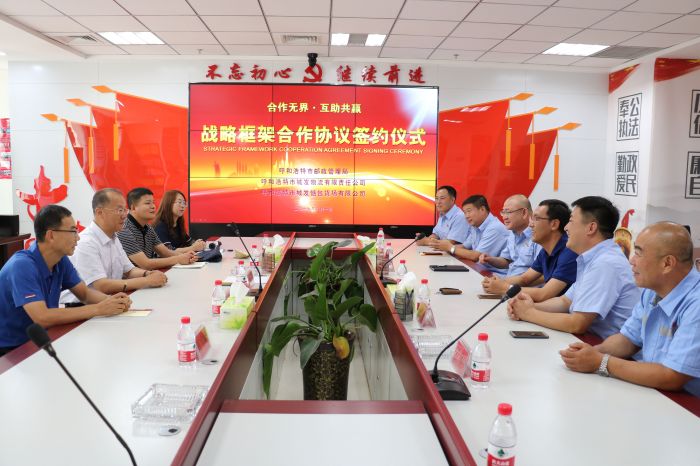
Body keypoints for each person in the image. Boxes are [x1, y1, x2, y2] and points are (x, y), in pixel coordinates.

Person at [560, 222, 700, 396]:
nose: (632, 261)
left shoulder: (696, 304)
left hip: (687, 405)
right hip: (655, 392)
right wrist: (588, 354)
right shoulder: (652, 290)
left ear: (667, 263)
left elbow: (672, 376)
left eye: (639, 253)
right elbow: (627, 340)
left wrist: (601, 362)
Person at [0, 205, 131, 355]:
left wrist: (113, 301)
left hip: (41, 340)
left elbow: (85, 294)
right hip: (11, 349)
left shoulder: (60, 260)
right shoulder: (21, 266)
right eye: (73, 231)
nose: (78, 237)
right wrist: (99, 309)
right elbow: (42, 317)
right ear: (51, 235)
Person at [508, 196, 639, 339]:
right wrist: (527, 307)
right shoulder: (593, 257)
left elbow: (577, 324)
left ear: (591, 228)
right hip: (589, 340)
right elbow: (565, 301)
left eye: (571, 221)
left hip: (604, 345)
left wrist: (529, 313)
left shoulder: (606, 263)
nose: (566, 227)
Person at [60, 189, 168, 304]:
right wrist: (147, 281)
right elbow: (101, 285)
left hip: (110, 300)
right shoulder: (86, 242)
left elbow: (129, 270)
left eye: (125, 210)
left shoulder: (114, 237)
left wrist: (147, 274)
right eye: (119, 210)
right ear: (100, 212)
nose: (124, 215)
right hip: (81, 306)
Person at [482, 199, 578, 302]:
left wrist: (504, 288)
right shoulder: (545, 251)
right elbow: (525, 279)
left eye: (536, 219)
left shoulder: (569, 252)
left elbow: (544, 294)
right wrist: (496, 283)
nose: (531, 224)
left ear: (554, 224)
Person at [117, 187, 197, 270]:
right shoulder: (124, 229)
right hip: (135, 277)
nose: (153, 206)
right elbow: (145, 264)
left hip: (148, 274)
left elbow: (165, 252)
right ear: (133, 208)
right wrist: (178, 259)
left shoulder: (148, 228)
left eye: (153, 202)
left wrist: (186, 256)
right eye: (148, 203)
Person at [431, 194, 509, 273]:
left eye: (469, 211)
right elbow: (464, 246)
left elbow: (476, 256)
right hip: (479, 269)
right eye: (465, 212)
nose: (466, 216)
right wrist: (441, 247)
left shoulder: (494, 228)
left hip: (495, 274)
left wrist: (450, 248)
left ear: (482, 209)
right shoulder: (475, 226)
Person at [478, 194, 540, 277]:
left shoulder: (538, 236)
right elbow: (506, 261)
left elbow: (542, 273)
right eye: (503, 212)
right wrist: (490, 259)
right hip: (509, 280)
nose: (504, 217)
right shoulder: (512, 234)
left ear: (524, 213)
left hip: (520, 284)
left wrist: (507, 283)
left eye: (508, 212)